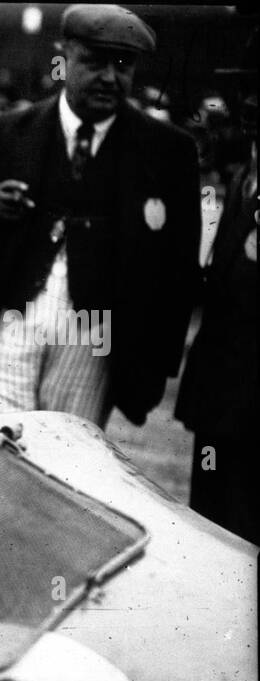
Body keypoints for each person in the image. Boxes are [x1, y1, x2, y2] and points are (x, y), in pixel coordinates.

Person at [0, 4, 200, 428]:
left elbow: (179, 271)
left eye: (123, 65)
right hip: (10, 319)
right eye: (94, 64)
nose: (110, 79)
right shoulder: (7, 132)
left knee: (62, 464)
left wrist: (153, 367)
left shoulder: (168, 152)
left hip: (96, 335)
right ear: (64, 59)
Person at [175, 51, 257, 544]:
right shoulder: (244, 176)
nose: (249, 106)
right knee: (210, 522)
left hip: (250, 406)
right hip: (222, 396)